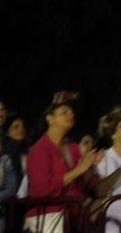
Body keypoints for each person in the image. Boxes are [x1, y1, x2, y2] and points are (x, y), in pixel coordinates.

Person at [27, 94, 101, 233]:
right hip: (49, 216)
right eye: (64, 112)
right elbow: (41, 189)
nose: (70, 114)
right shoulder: (39, 149)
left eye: (71, 112)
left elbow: (84, 184)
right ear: (50, 119)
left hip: (75, 216)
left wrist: (89, 164)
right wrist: (79, 169)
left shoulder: (73, 147)